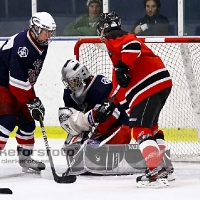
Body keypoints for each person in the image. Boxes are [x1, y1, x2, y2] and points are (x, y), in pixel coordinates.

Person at [95, 11, 173, 188]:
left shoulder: (113, 36)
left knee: (139, 129)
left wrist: (124, 67)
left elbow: (133, 46)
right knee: (152, 128)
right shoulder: (117, 48)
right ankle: (164, 167)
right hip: (161, 82)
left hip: (148, 85)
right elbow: (119, 83)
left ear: (102, 29)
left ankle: (155, 172)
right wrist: (110, 104)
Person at [0, 12, 56, 173]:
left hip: (17, 85)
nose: (49, 35)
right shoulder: (22, 46)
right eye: (46, 31)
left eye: (51, 31)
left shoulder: (42, 43)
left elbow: (27, 76)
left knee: (28, 120)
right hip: (2, 84)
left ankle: (25, 158)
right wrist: (32, 100)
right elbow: (16, 82)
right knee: (7, 121)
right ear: (35, 28)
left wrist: (32, 101)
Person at [58, 59, 131, 148]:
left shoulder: (99, 86)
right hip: (93, 128)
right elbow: (75, 119)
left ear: (82, 76)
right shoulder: (69, 93)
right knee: (66, 117)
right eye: (68, 82)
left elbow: (112, 116)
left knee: (92, 148)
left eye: (73, 81)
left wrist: (91, 139)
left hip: (116, 126)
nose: (70, 86)